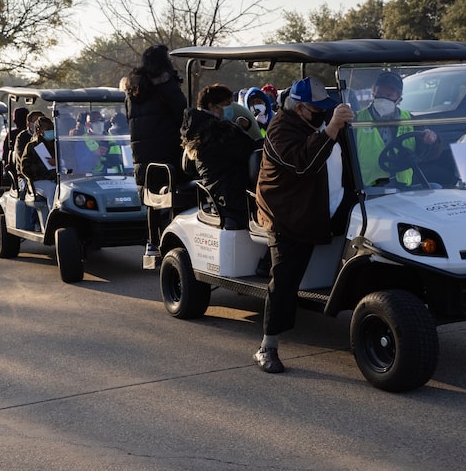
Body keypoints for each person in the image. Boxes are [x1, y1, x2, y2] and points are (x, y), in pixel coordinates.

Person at [253, 77, 355, 374]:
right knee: (285, 278)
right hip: (287, 214)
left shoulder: (311, 121)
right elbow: (303, 163)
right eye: (315, 109)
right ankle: (267, 345)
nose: (322, 114)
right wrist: (332, 127)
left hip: (326, 204)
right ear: (298, 108)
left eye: (325, 109)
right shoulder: (280, 129)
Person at [123, 44, 189, 258]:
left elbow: (128, 118)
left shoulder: (133, 89)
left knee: (152, 198)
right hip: (167, 149)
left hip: (142, 156)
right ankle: (177, 239)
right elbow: (182, 113)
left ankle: (152, 242)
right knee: (178, 194)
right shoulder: (166, 83)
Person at [180, 84, 263, 229]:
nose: (230, 108)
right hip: (233, 197)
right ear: (212, 106)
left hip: (219, 194)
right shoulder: (219, 132)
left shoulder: (197, 130)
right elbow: (249, 149)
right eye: (227, 104)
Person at [355, 71, 440, 187]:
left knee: (436, 187)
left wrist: (431, 141)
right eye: (379, 93)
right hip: (370, 190)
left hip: (403, 187)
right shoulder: (356, 120)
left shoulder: (410, 120)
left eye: (389, 95)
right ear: (373, 94)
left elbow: (427, 154)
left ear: (399, 100)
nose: (383, 99)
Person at [20, 116, 58, 222]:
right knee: (53, 190)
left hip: (58, 178)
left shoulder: (57, 144)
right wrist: (45, 167)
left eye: (52, 129)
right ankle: (53, 221)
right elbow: (25, 168)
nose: (51, 131)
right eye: (48, 129)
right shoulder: (32, 146)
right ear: (39, 130)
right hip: (39, 181)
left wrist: (58, 163)